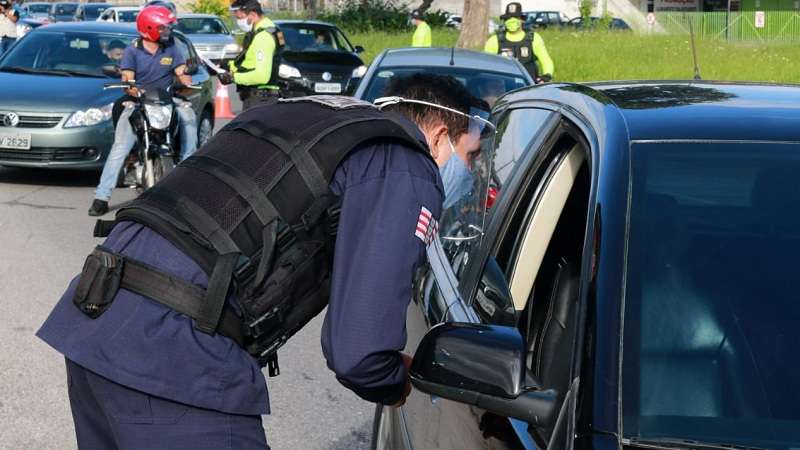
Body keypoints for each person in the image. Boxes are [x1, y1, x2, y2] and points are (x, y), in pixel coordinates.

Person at [36, 73, 490, 449]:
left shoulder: (306, 117)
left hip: (96, 317)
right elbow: (359, 352)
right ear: (437, 134)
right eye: (469, 155)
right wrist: (393, 381)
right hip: (174, 360)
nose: (468, 173)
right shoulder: (402, 161)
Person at [87, 5, 197, 217]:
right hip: (138, 101)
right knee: (120, 146)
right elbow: (127, 77)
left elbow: (182, 73)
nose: (167, 32)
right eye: (163, 28)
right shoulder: (132, 50)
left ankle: (187, 175)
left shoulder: (172, 47)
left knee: (188, 115)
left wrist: (186, 79)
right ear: (149, 28)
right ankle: (101, 196)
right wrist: (132, 88)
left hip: (165, 99)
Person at [217, 0, 283, 110]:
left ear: (252, 14)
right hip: (260, 97)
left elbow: (262, 76)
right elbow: (250, 61)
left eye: (240, 18)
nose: (239, 22)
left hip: (260, 99)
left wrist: (233, 77)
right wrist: (229, 65)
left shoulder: (263, 37)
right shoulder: (265, 31)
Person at [484, 2, 554, 83]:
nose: (511, 21)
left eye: (515, 17)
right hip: (504, 87)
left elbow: (546, 61)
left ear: (522, 19)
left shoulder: (534, 38)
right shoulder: (494, 40)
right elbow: (486, 64)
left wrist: (546, 76)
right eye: (508, 18)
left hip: (529, 85)